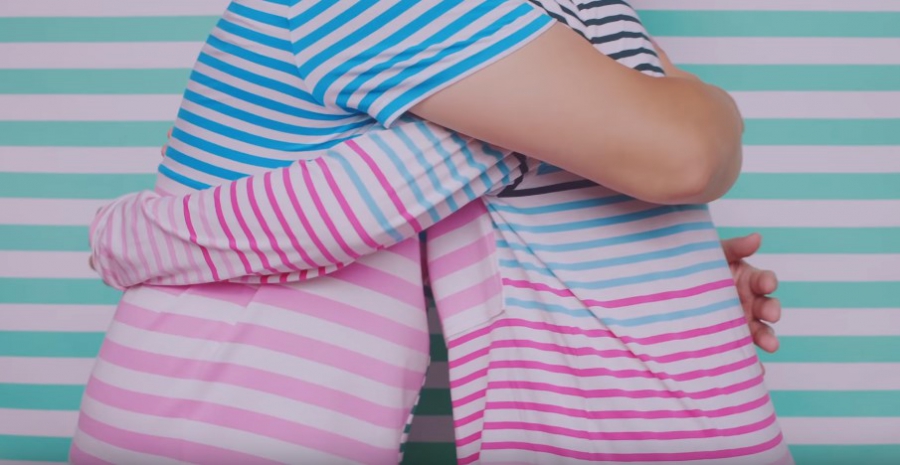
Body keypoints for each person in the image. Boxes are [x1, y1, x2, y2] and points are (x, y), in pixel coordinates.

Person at [79, 1, 787, 463]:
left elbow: (629, 160)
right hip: (214, 412)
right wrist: (701, 113)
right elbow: (677, 153)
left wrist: (682, 282)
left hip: (668, 424)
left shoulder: (582, 14)